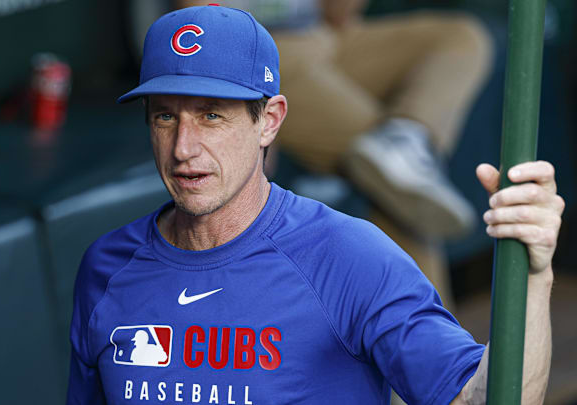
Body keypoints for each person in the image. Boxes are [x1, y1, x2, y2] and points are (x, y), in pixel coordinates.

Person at [68, 5, 562, 404]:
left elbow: (486, 400)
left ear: (270, 120)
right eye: (164, 118)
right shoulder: (107, 267)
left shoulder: (348, 256)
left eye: (212, 116)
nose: (183, 147)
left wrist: (535, 276)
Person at [175, 0, 494, 310]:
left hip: (329, 39)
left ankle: (407, 136)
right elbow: (202, 27)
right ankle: (437, 356)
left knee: (460, 36)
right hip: (259, 55)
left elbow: (339, 15)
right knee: (396, 189)